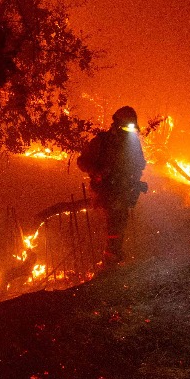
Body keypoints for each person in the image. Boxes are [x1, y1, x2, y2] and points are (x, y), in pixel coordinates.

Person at [76, 106, 148, 267]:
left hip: (123, 189)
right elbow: (82, 161)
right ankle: (110, 260)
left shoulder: (133, 142)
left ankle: (114, 256)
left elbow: (140, 163)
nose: (127, 133)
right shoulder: (101, 142)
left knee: (120, 222)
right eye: (125, 127)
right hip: (106, 190)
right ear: (116, 124)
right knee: (114, 224)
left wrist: (135, 180)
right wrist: (98, 172)